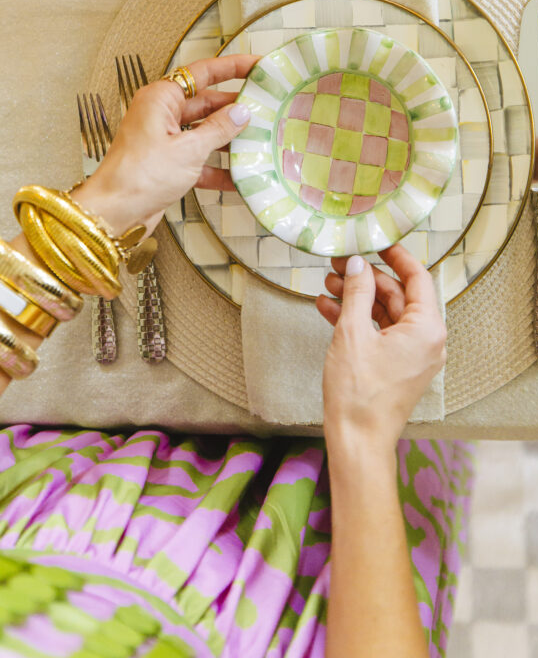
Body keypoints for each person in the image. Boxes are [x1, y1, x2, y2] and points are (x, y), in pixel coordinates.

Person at [0, 56, 472, 658]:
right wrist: (363, 431)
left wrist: (103, 209)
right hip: (323, 569)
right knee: (443, 423)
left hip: (56, 480)